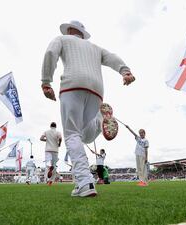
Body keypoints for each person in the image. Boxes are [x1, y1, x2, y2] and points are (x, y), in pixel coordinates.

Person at [41, 20, 135, 197]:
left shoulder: (62, 39)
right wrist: (125, 71)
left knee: (72, 134)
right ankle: (100, 120)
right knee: (83, 135)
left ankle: (85, 182)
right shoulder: (95, 47)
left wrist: (46, 81)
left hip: (72, 85)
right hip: (97, 90)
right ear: (82, 34)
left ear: (69, 30)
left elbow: (50, 52)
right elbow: (112, 57)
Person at [40, 122, 62, 186]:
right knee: (54, 166)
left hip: (48, 150)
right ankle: (51, 181)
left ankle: (47, 176)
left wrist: (47, 140)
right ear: (56, 126)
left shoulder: (46, 132)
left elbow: (41, 138)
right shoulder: (58, 132)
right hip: (55, 150)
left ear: (50, 126)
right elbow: (60, 138)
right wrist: (59, 144)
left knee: (47, 165)